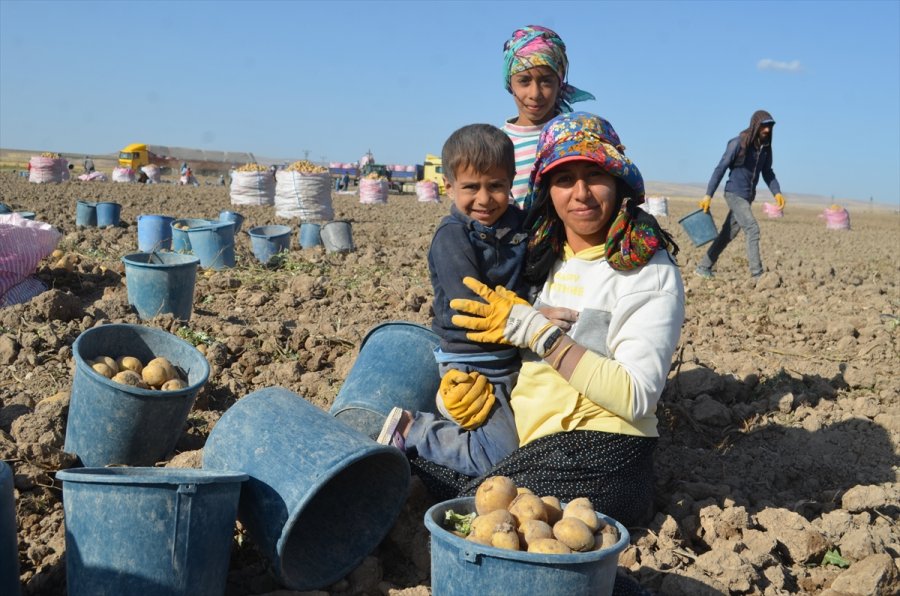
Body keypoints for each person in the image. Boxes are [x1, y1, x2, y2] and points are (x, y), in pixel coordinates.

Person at [407, 112, 685, 532]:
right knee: (426, 478)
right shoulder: (540, 254)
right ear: (545, 190)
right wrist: (457, 399)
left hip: (599, 454)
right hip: (527, 445)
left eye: (594, 175)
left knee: (494, 516)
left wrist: (539, 332)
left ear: (619, 181)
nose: (581, 194)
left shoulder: (646, 270)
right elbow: (489, 339)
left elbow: (636, 396)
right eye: (563, 179)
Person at [376, 123, 531, 477]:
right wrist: (531, 318)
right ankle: (413, 430)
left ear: (511, 182)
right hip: (473, 358)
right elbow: (468, 307)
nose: (484, 198)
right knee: (500, 458)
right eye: (471, 187)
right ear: (449, 187)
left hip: (512, 351)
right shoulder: (452, 237)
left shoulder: (518, 225)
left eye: (496, 186)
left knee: (528, 442)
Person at [501, 25, 595, 210]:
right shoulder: (498, 143)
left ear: (559, 83)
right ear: (509, 84)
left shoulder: (577, 135)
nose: (535, 93)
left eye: (546, 81)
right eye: (524, 81)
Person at [695, 110, 786, 279]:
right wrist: (708, 194)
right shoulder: (738, 143)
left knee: (727, 234)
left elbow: (768, 172)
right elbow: (720, 168)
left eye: (770, 126)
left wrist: (777, 192)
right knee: (752, 229)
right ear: (755, 125)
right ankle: (757, 274)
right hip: (734, 194)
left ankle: (703, 266)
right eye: (764, 126)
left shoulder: (766, 149)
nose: (767, 130)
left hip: (747, 197)